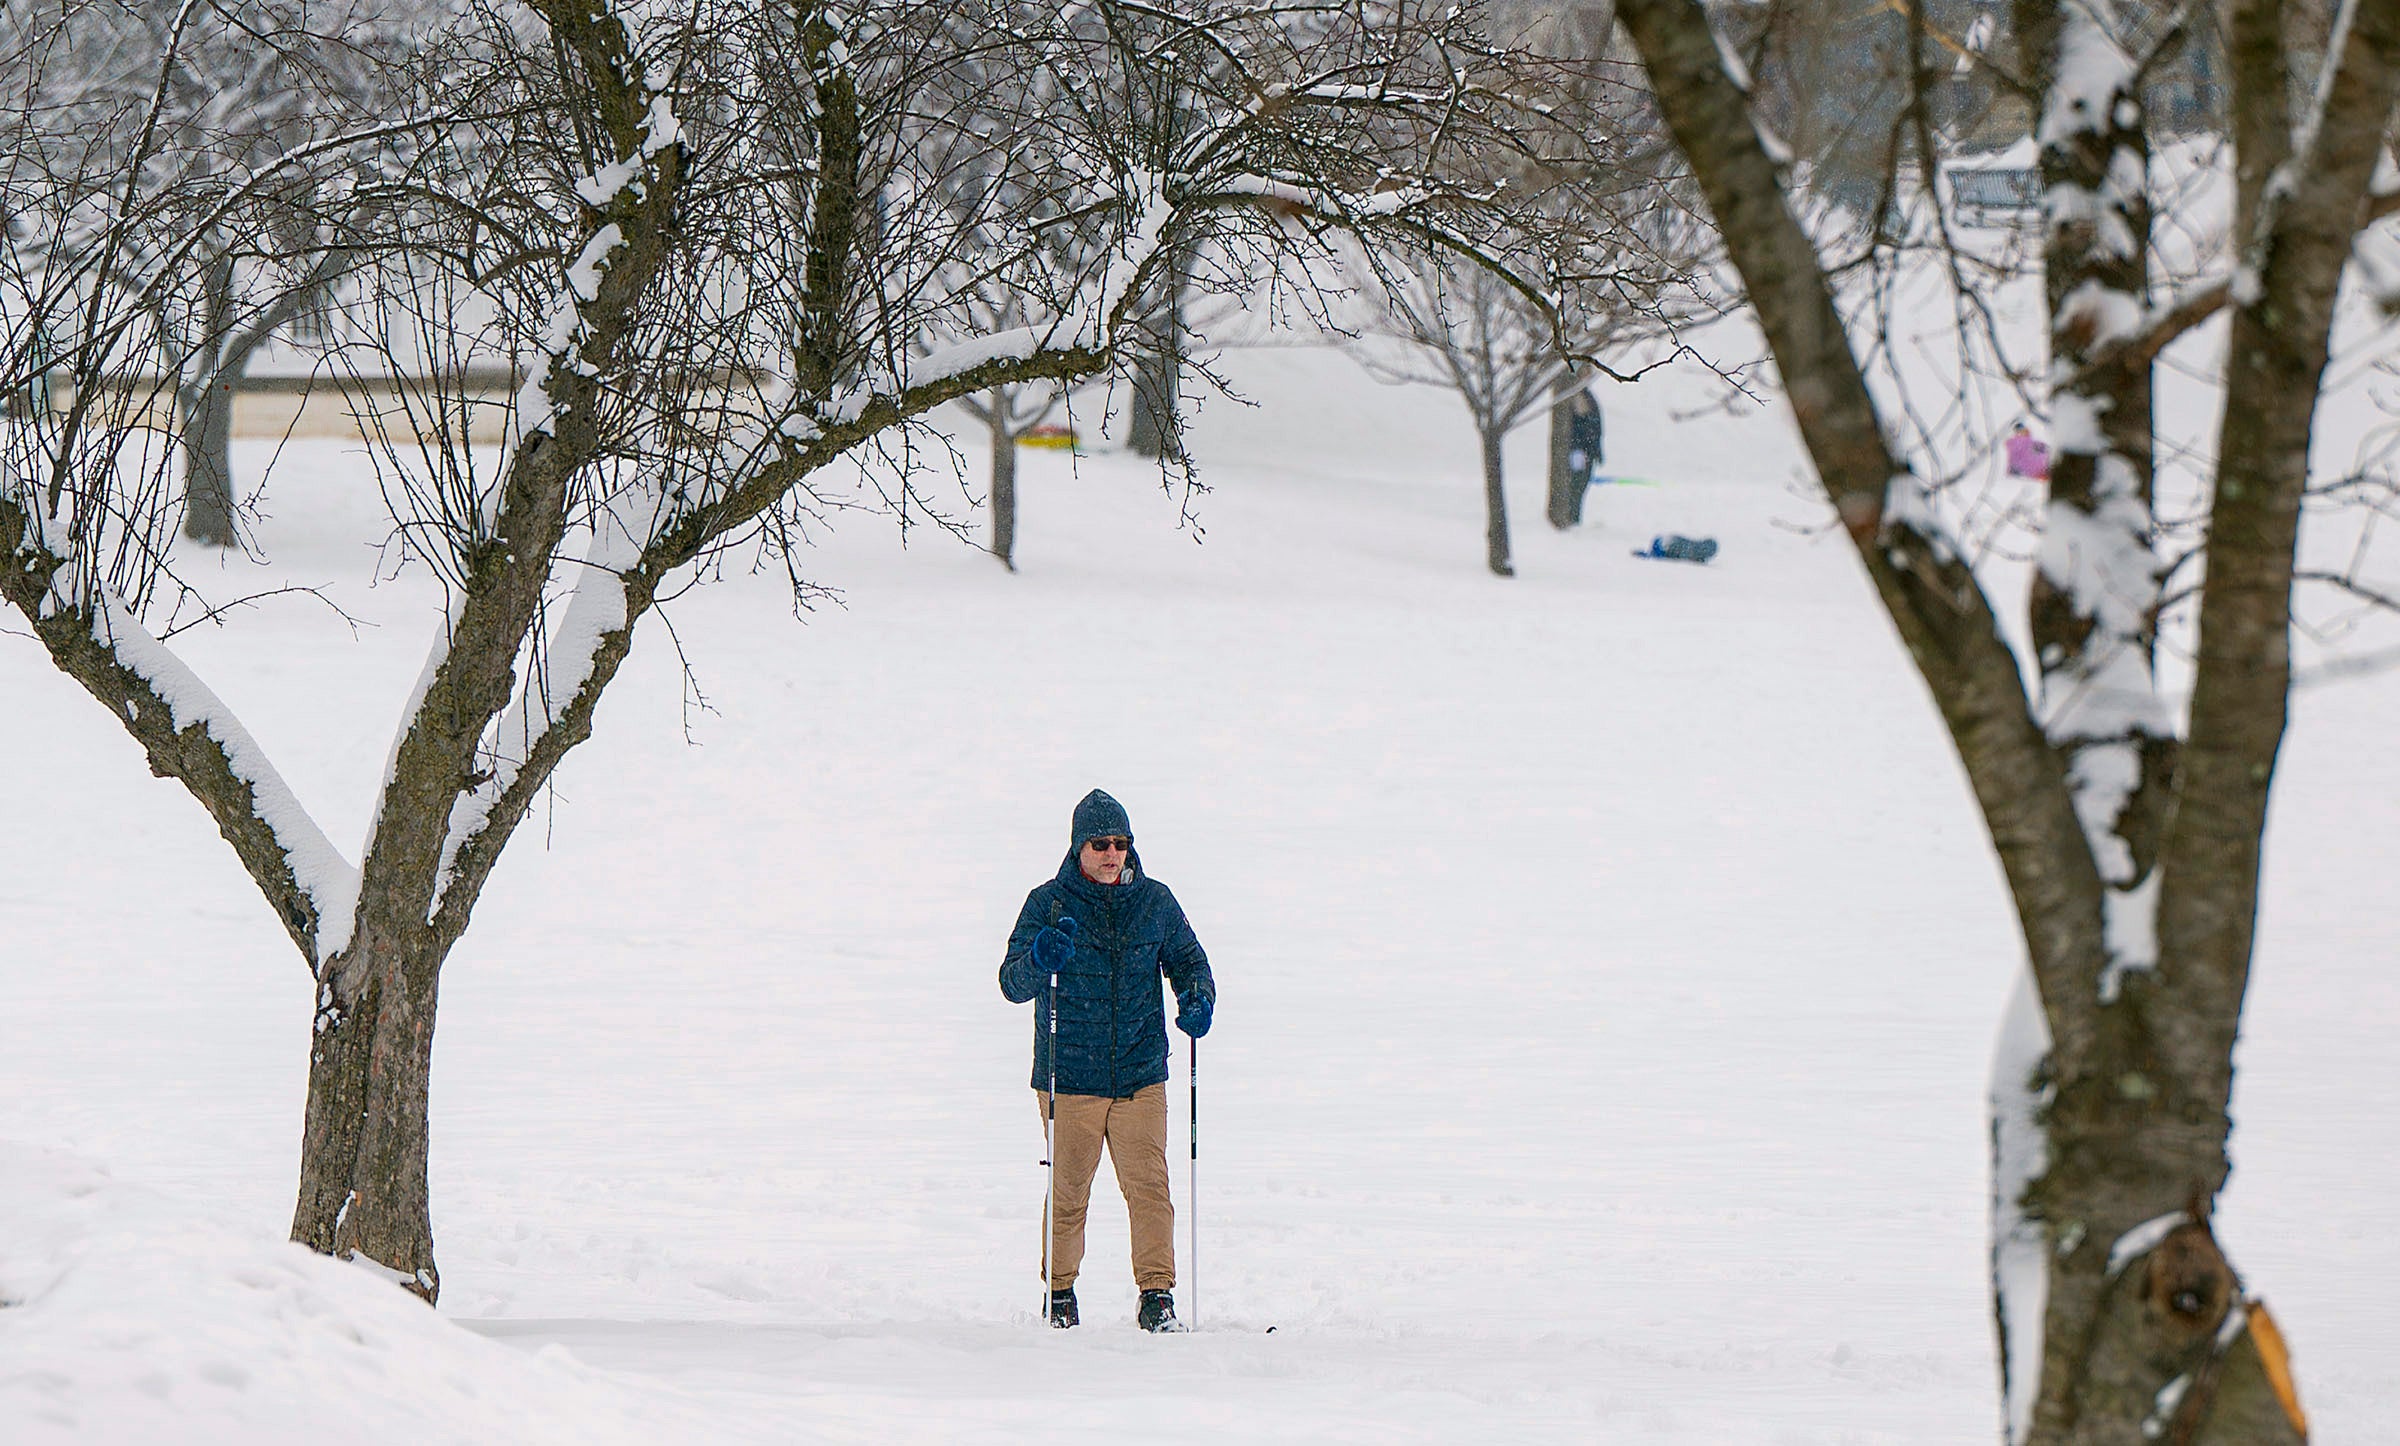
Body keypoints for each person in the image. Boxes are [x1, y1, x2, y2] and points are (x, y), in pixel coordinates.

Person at [1000, 789, 1215, 1332]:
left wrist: (1197, 997)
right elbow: (1012, 982)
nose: (1111, 853)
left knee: (1149, 1191)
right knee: (1070, 1192)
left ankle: (1157, 1297)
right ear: (1078, 847)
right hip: (1070, 1076)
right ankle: (1061, 1295)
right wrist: (1039, 957)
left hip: (1140, 1073)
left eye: (1120, 843)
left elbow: (1189, 960)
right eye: (1100, 843)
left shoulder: (1155, 902)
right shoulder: (1047, 903)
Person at [1567, 387, 1606, 488]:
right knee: (1576, 486)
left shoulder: (1585, 394)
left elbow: (1594, 429)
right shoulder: (1578, 395)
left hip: (1585, 451)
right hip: (1580, 451)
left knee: (1579, 485)